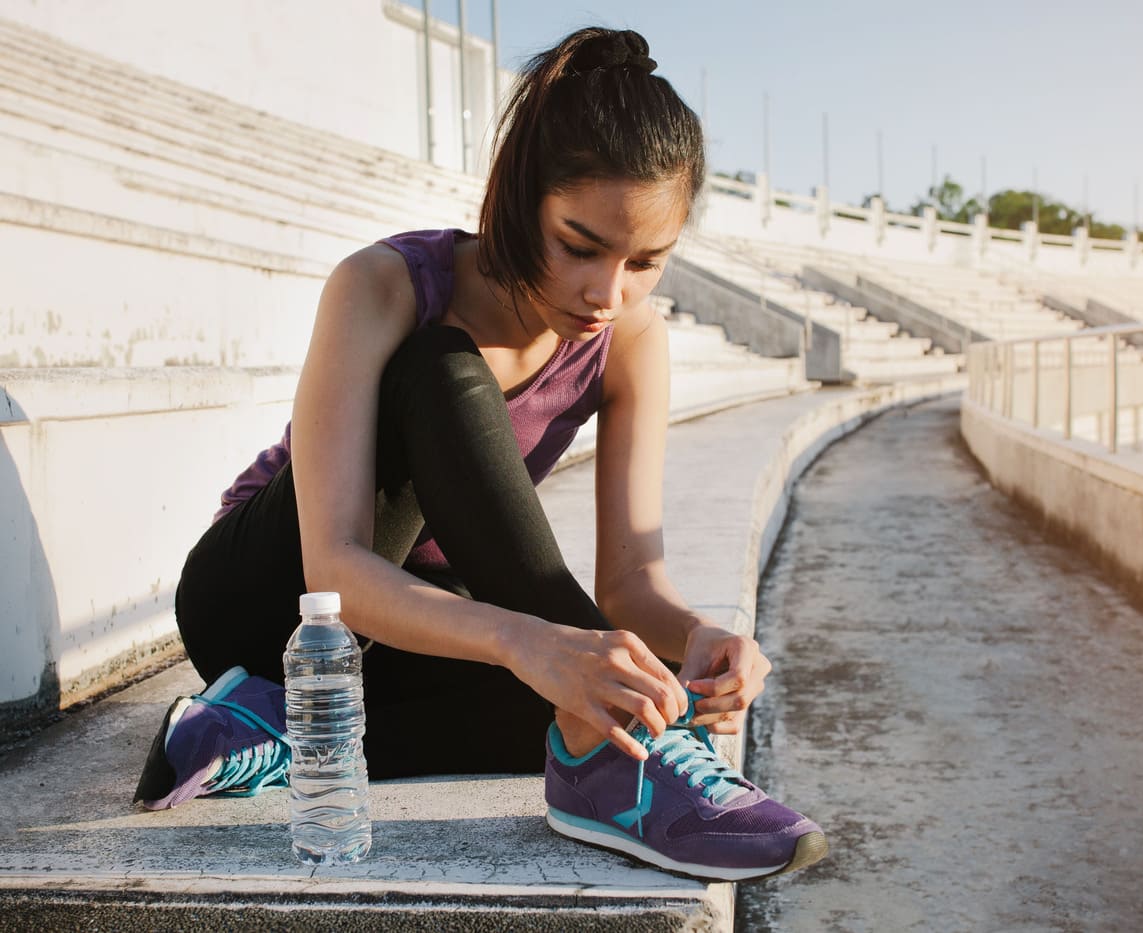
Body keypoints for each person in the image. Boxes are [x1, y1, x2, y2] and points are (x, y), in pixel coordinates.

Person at [133, 26, 826, 882]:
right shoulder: (385, 285)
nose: (608, 293)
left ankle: (271, 732)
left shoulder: (631, 340)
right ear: (519, 195)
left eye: (646, 261)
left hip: (414, 625)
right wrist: (534, 643)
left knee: (600, 694)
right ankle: (611, 765)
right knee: (443, 366)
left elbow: (629, 585)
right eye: (580, 245)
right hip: (279, 600)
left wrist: (698, 634)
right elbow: (335, 566)